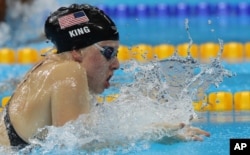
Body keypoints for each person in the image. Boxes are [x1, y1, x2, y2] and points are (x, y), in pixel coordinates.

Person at [0, 3, 209, 150]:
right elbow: (76, 145)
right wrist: (152, 133)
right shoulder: (68, 72)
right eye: (108, 52)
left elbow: (88, 131)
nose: (116, 64)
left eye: (116, 54)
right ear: (76, 51)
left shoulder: (54, 68)